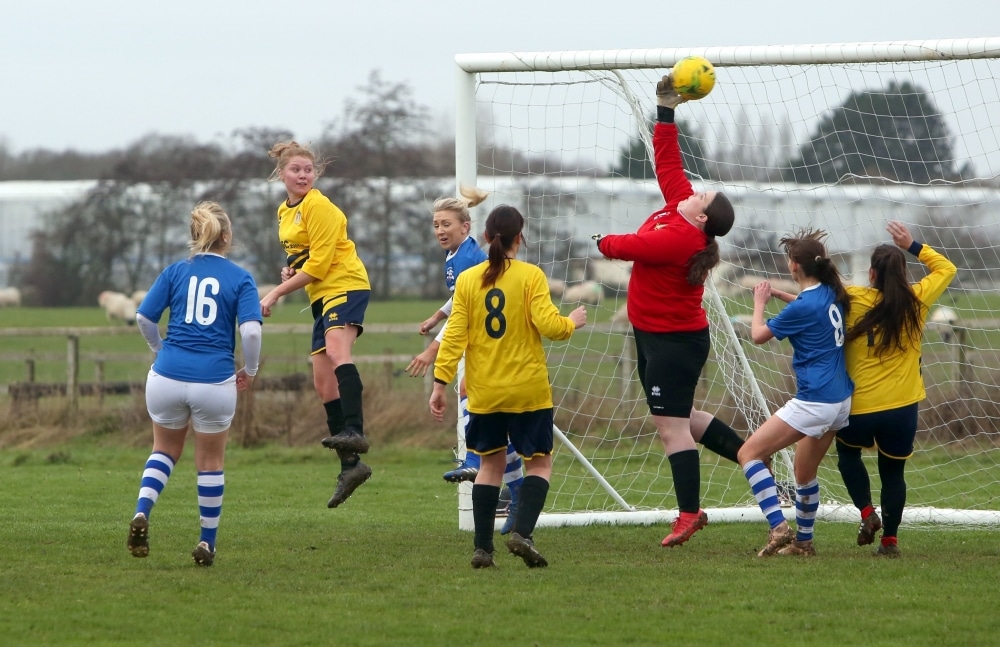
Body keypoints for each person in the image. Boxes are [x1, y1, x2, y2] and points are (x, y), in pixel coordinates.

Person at [594, 74, 737, 548]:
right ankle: (755, 457)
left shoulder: (681, 235)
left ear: (702, 217)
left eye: (703, 197)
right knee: (682, 417)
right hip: (654, 335)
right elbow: (668, 161)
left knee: (671, 428)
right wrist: (665, 110)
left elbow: (632, 246)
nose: (697, 191)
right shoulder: (681, 207)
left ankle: (689, 514)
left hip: (674, 343)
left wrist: (603, 242)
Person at [429, 204, 587, 569]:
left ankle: (482, 549)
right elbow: (550, 326)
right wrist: (572, 322)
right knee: (540, 465)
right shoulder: (530, 276)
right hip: (528, 390)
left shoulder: (469, 280)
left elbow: (453, 336)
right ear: (521, 237)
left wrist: (440, 383)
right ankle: (523, 533)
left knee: (489, 467)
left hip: (484, 393)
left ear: (485, 237)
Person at [128, 201, 262, 567]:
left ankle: (142, 511)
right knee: (210, 460)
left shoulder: (175, 272)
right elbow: (250, 331)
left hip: (166, 377)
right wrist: (249, 370)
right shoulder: (240, 277)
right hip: (214, 381)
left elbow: (143, 316)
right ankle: (206, 542)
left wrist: (160, 349)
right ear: (227, 237)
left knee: (164, 450)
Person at [405, 186, 526, 535]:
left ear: (465, 227)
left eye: (446, 224)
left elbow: (466, 315)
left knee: (473, 402)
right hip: (478, 346)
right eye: (435, 224)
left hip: (487, 348)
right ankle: (515, 492)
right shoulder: (457, 256)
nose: (440, 230)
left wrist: (433, 349)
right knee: (480, 409)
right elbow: (457, 302)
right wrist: (434, 317)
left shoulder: (469, 259)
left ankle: (475, 461)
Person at [260, 141, 373, 508]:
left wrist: (276, 292)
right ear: (282, 174)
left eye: (308, 170)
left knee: (339, 353)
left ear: (315, 174)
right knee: (323, 385)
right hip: (321, 295)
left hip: (346, 284)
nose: (303, 175)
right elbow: (308, 254)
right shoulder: (284, 210)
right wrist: (292, 267)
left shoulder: (319, 205)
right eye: (295, 169)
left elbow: (323, 265)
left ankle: (355, 432)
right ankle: (351, 467)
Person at [837, 221, 956, 557]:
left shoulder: (854, 298)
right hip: (902, 408)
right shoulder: (916, 299)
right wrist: (912, 244)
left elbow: (819, 293)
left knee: (847, 455)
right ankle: (890, 541)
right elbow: (947, 268)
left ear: (871, 275)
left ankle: (865, 512)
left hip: (859, 406)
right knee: (893, 473)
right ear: (903, 274)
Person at [737, 228, 854, 557]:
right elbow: (806, 306)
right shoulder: (831, 292)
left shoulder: (806, 306)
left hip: (815, 400)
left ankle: (778, 527)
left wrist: (760, 302)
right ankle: (804, 542)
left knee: (749, 454)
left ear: (794, 267)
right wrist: (780, 294)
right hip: (840, 401)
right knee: (804, 474)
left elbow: (758, 335)